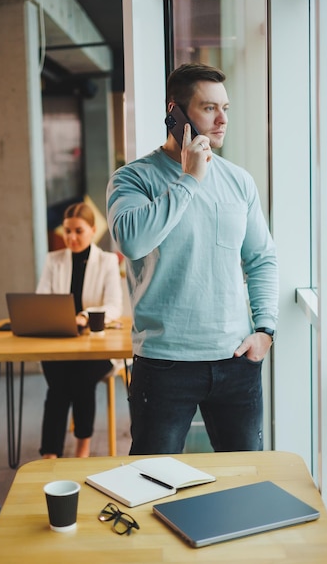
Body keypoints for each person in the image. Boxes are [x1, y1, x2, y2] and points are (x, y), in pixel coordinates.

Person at [106, 63, 279, 455]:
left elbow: (262, 258)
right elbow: (132, 241)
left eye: (226, 108)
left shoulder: (240, 181)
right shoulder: (133, 179)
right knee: (151, 482)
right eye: (209, 108)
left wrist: (265, 331)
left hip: (236, 360)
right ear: (176, 113)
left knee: (245, 479)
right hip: (165, 364)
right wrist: (189, 181)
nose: (222, 120)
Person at [37, 201, 123, 458]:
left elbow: (115, 306)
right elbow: (42, 300)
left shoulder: (107, 261)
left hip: (97, 346)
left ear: (92, 230)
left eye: (78, 231)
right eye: (67, 230)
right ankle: (51, 453)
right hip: (60, 342)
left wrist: (85, 317)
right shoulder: (54, 260)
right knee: (59, 382)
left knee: (78, 379)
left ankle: (81, 446)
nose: (71, 237)